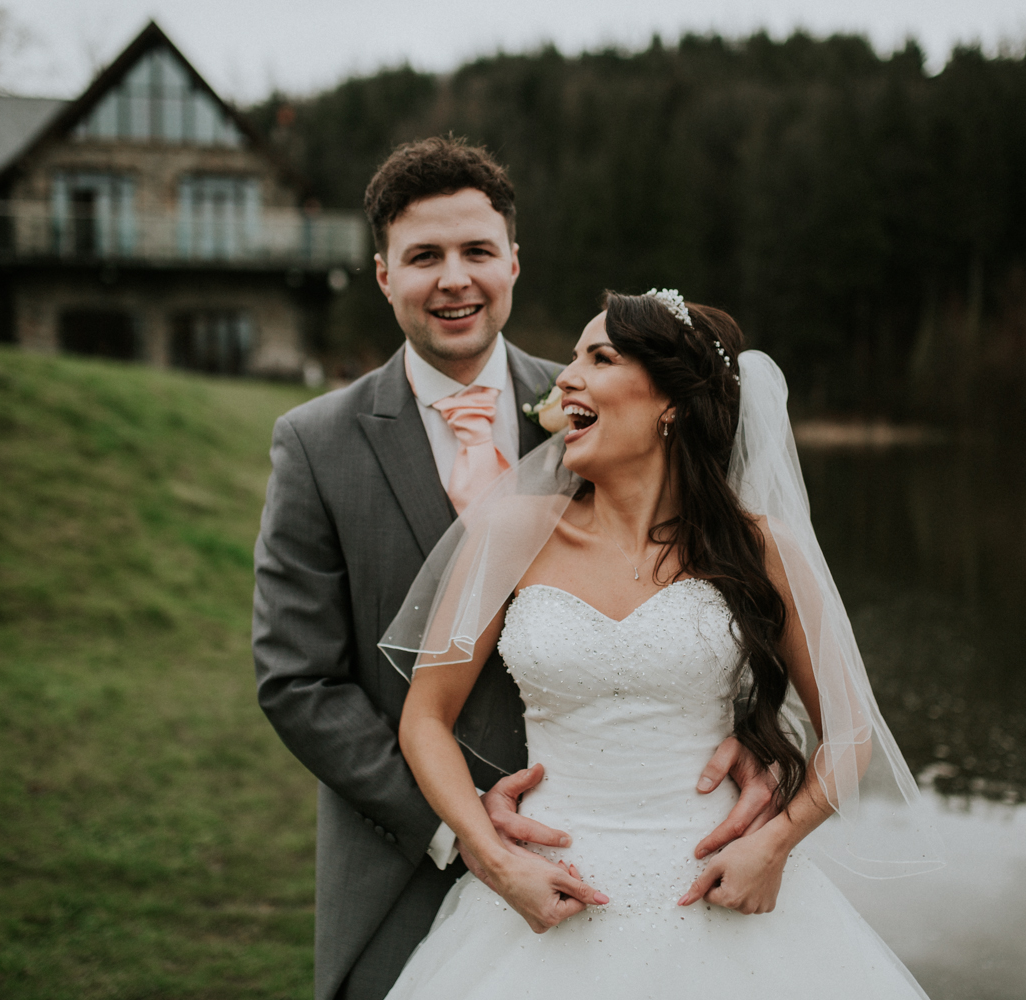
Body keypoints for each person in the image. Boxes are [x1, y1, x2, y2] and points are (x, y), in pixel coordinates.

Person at [253, 139, 780, 1000]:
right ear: (383, 275)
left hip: (642, 849)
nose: (454, 278)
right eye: (424, 256)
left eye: (477, 252)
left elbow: (735, 592)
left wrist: (756, 732)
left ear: (513, 264)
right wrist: (465, 835)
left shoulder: (607, 399)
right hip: (406, 859)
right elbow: (297, 681)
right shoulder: (315, 445)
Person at [378, 290, 943, 998]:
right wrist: (494, 858)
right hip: (549, 886)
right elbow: (424, 718)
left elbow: (851, 730)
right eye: (573, 358)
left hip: (715, 882)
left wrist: (773, 845)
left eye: (600, 358)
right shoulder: (514, 532)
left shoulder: (761, 547)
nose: (567, 380)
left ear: (671, 402)